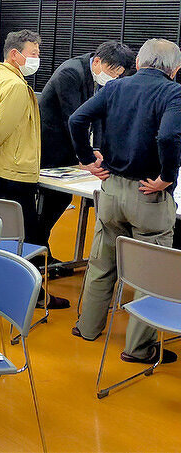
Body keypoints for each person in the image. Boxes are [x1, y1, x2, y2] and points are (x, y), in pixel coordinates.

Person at [70, 38, 181, 365]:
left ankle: (87, 327)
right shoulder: (172, 92)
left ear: (141, 62)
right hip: (148, 194)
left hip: (112, 190)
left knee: (102, 262)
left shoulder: (116, 87)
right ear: (174, 69)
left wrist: (87, 158)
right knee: (149, 272)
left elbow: (77, 120)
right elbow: (169, 136)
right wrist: (167, 176)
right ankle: (138, 348)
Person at [0, 29, 69, 310]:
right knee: (30, 237)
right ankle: (33, 295)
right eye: (33, 54)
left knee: (4, 232)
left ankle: (5, 286)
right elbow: (1, 128)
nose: (38, 59)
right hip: (12, 172)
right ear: (15, 54)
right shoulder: (15, 87)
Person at [38, 40, 135, 272]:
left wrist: (97, 148)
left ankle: (42, 249)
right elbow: (72, 118)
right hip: (50, 143)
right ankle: (38, 251)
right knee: (51, 199)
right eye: (112, 72)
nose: (113, 78)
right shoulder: (70, 73)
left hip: (70, 145)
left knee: (59, 201)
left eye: (118, 75)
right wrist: (85, 157)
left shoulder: (100, 76)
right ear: (98, 62)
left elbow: (99, 115)